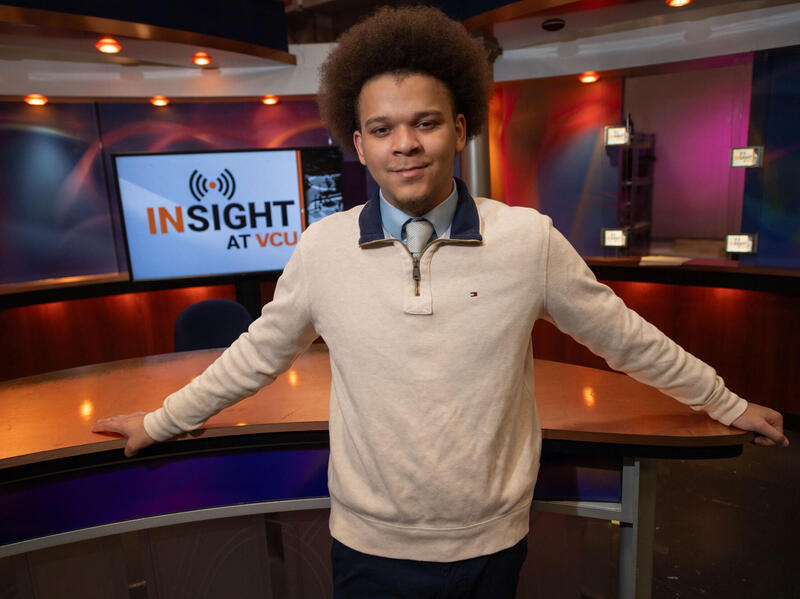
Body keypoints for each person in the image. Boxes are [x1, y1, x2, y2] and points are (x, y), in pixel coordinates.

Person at [93, 6, 788, 597]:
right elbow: (254, 356)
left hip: (492, 541)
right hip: (369, 544)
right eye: (385, 129)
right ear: (358, 143)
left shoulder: (528, 240)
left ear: (459, 130)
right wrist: (159, 420)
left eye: (425, 123)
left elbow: (628, 337)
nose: (406, 145)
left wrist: (727, 402)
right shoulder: (321, 249)